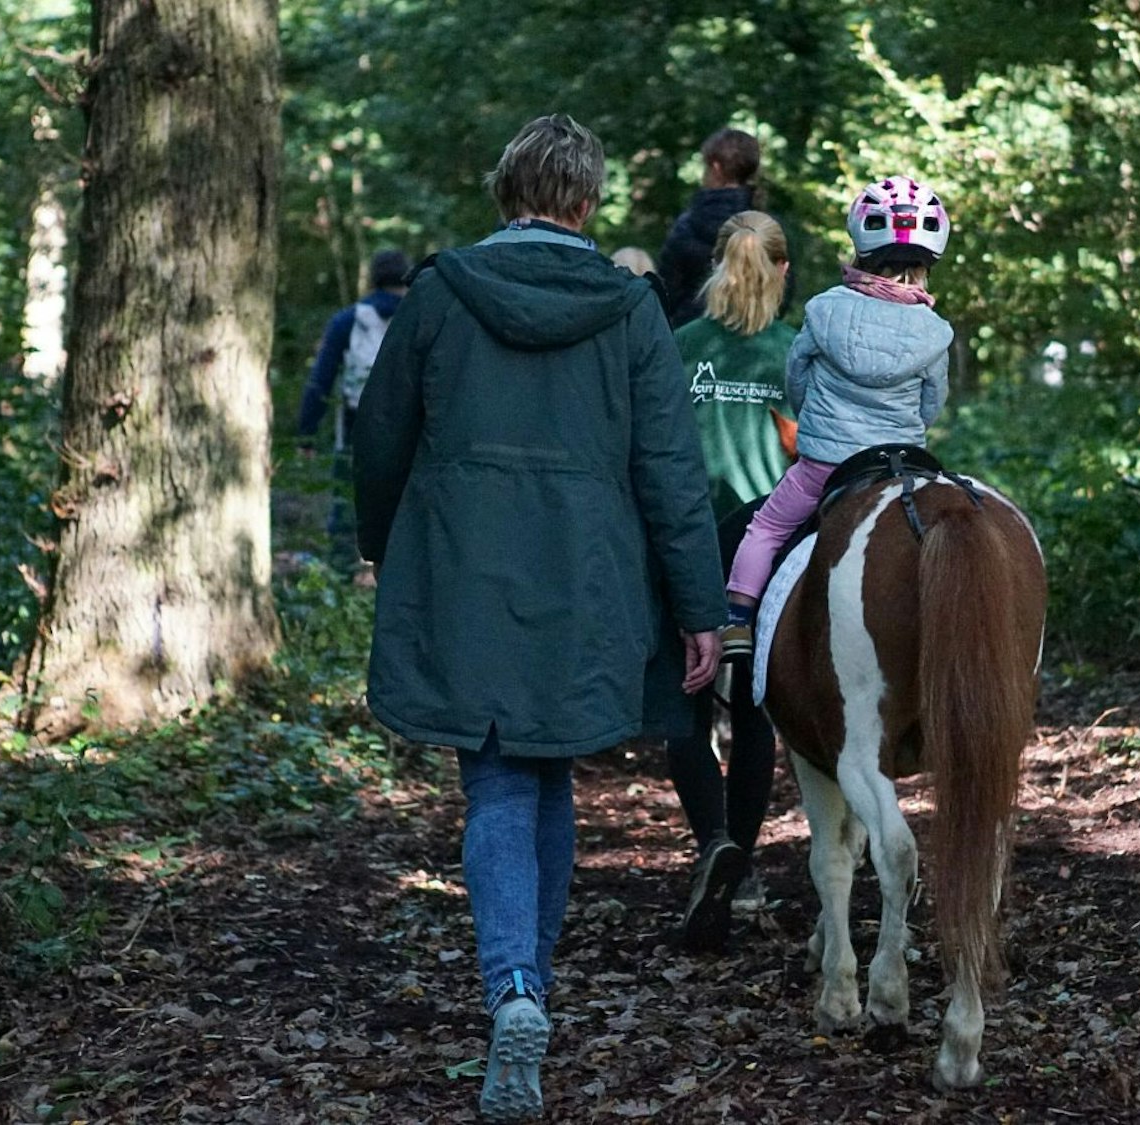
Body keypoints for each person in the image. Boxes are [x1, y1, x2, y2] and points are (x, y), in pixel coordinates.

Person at [351, 114, 724, 1122]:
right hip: (586, 572)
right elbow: (670, 467)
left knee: (498, 774)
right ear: (588, 203)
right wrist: (699, 605)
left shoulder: (439, 293)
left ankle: (515, 987)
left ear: (504, 192)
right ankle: (528, 987)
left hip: (464, 566)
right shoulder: (632, 308)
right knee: (546, 767)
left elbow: (380, 437)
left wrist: (384, 548)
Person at [719, 175, 954, 659]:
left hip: (825, 466)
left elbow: (797, 380)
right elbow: (932, 402)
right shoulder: (934, 332)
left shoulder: (824, 310)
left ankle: (738, 620)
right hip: (900, 467)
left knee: (766, 528)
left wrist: (816, 422)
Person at [666, 211, 795, 951]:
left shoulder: (680, 347)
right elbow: (809, 454)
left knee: (684, 712)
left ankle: (712, 842)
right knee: (752, 715)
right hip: (763, 560)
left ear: (715, 265)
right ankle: (739, 869)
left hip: (685, 550)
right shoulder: (794, 353)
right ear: (782, 271)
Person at [295, 248, 411, 575]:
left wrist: (306, 434)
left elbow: (321, 380)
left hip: (356, 423)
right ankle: (399, 576)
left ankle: (343, 569)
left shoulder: (348, 320)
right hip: (410, 426)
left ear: (373, 278)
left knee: (347, 501)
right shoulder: (421, 316)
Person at [657, 128, 776, 328]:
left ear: (716, 168)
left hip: (690, 336)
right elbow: (782, 288)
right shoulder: (768, 227)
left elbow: (666, 292)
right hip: (755, 334)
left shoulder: (687, 226)